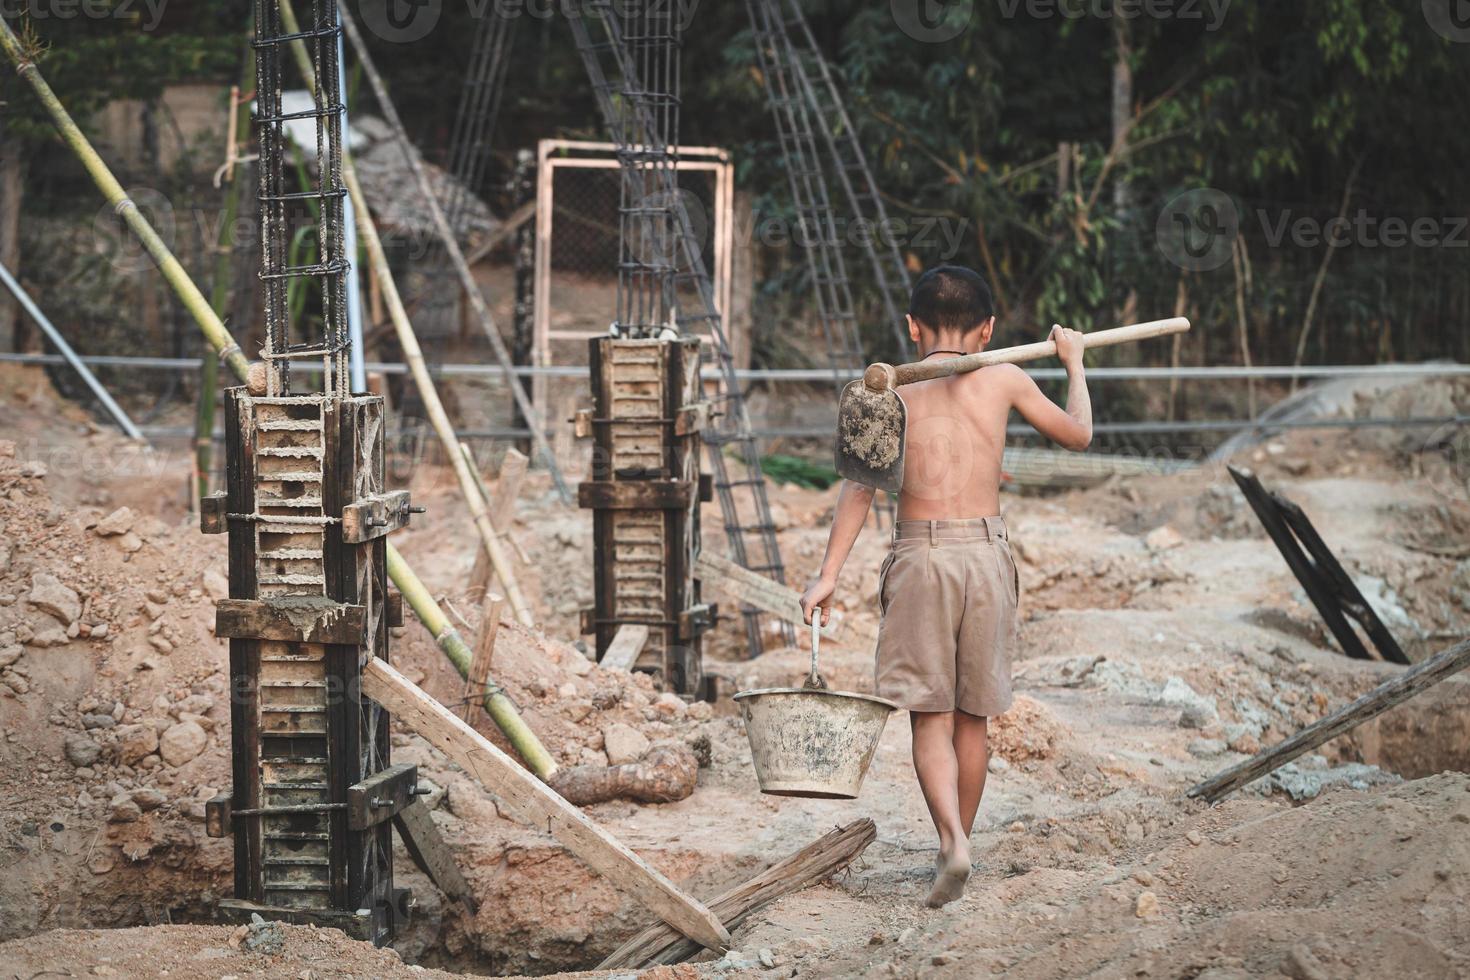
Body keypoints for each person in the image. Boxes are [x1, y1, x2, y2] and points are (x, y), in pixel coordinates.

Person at [799, 265, 1092, 907]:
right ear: (987, 330)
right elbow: (1079, 435)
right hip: (987, 556)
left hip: (920, 556)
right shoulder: (1005, 376)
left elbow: (859, 490)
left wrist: (827, 578)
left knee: (929, 716)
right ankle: (959, 844)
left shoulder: (889, 392)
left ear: (911, 326)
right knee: (973, 720)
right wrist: (1073, 362)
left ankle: (952, 841)